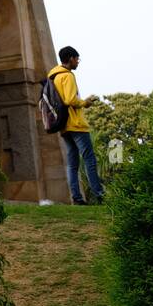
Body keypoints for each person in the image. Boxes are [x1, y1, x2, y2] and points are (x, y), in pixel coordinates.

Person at [51, 46, 103, 205]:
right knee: (89, 159)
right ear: (71, 58)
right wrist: (85, 103)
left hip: (64, 125)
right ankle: (99, 194)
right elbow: (70, 100)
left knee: (72, 164)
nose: (78, 61)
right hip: (76, 124)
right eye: (77, 58)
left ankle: (77, 197)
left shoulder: (53, 76)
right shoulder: (67, 76)